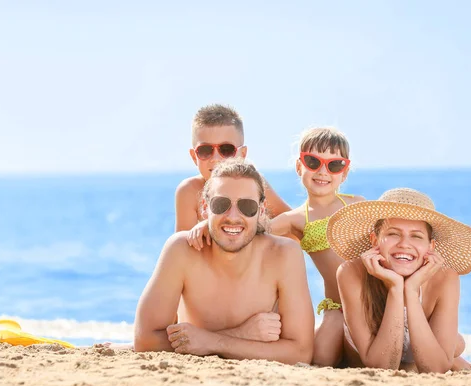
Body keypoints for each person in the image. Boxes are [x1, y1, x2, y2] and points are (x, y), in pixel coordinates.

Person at [189, 126, 364, 366]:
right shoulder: (295, 219)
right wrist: (207, 226)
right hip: (338, 307)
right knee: (320, 358)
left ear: (344, 173)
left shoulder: (357, 205)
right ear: (299, 166)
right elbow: (249, 230)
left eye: (334, 165)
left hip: (370, 298)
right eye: (313, 162)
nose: (323, 171)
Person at [134, 158, 314, 365]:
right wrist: (241, 334)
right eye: (221, 204)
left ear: (262, 210)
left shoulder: (283, 254)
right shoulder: (181, 250)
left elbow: (301, 352)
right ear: (204, 207)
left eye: (247, 206)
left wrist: (212, 341)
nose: (233, 217)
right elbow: (145, 339)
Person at [328, 188, 471, 372]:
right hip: (371, 354)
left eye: (416, 236)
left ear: (430, 247)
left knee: (455, 345)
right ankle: (445, 355)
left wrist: (411, 289)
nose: (404, 244)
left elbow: (437, 369)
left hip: (420, 349)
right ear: (375, 240)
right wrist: (395, 288)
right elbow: (382, 366)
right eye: (393, 234)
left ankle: (448, 352)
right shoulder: (350, 273)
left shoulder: (445, 278)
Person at [175, 104, 291, 233]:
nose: (216, 158)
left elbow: (293, 223)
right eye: (205, 150)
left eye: (226, 150)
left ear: (242, 154)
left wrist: (256, 227)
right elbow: (183, 246)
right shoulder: (189, 191)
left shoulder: (253, 184)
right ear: (193, 156)